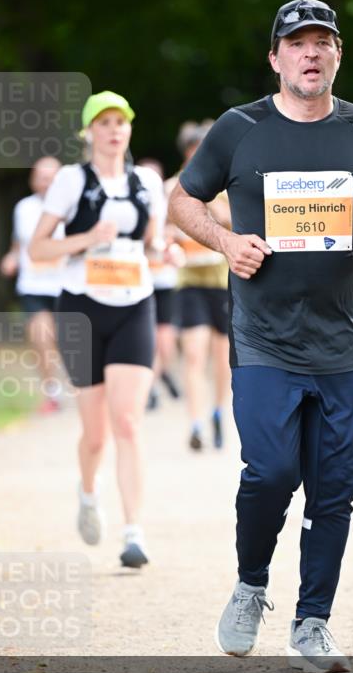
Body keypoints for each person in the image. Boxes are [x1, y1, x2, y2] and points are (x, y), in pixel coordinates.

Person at [168, 0, 353, 672]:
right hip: (263, 336)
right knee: (271, 471)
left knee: (334, 487)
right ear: (275, 57)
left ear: (337, 54)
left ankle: (312, 621)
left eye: (322, 42)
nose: (310, 53)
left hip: (342, 339)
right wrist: (224, 241)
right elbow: (182, 199)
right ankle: (250, 585)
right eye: (296, 43)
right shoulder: (238, 129)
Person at [29, 91, 164, 568]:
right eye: (104, 122)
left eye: (121, 122)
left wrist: (167, 252)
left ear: (129, 129)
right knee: (95, 435)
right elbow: (37, 251)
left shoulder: (147, 182)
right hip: (81, 311)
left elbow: (154, 244)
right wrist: (88, 239)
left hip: (134, 305)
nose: (114, 130)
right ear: (89, 132)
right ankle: (88, 492)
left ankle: (134, 533)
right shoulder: (71, 180)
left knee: (127, 421)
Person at [166, 121, 231, 451]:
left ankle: (219, 411)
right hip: (189, 281)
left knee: (222, 358)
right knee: (193, 354)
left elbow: (235, 223)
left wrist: (207, 200)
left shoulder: (226, 185)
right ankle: (195, 421)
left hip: (222, 280)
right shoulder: (170, 187)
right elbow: (161, 228)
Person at [0, 156, 65, 414]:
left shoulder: (72, 207)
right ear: (32, 180)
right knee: (41, 337)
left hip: (65, 284)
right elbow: (18, 244)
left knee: (69, 340)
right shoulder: (23, 208)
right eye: (42, 178)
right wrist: (11, 258)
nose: (47, 183)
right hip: (33, 285)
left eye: (52, 178)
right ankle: (51, 391)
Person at [136, 158, 182, 411]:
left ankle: (160, 374)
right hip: (141, 279)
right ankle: (153, 382)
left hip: (164, 278)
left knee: (164, 337)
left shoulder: (169, 205)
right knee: (152, 336)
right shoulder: (135, 203)